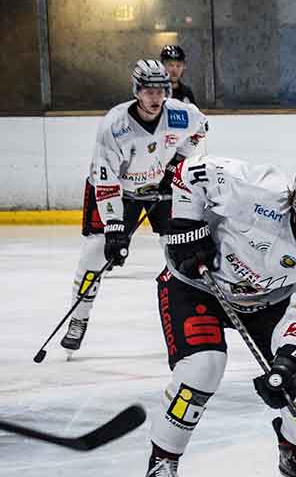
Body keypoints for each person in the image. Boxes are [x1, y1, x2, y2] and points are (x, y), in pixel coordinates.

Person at [144, 156, 296, 477]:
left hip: (266, 301)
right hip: (196, 286)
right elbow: (188, 172)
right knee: (203, 368)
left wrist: (289, 364)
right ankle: (163, 460)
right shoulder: (258, 190)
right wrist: (184, 226)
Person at [60, 59, 208, 353]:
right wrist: (115, 228)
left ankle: (194, 317)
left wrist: (178, 162)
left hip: (159, 189)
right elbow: (106, 180)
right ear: (137, 91)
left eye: (161, 90)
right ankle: (79, 317)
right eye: (148, 91)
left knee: (183, 250)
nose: (155, 98)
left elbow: (201, 127)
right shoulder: (114, 126)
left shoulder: (179, 114)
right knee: (95, 255)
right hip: (117, 192)